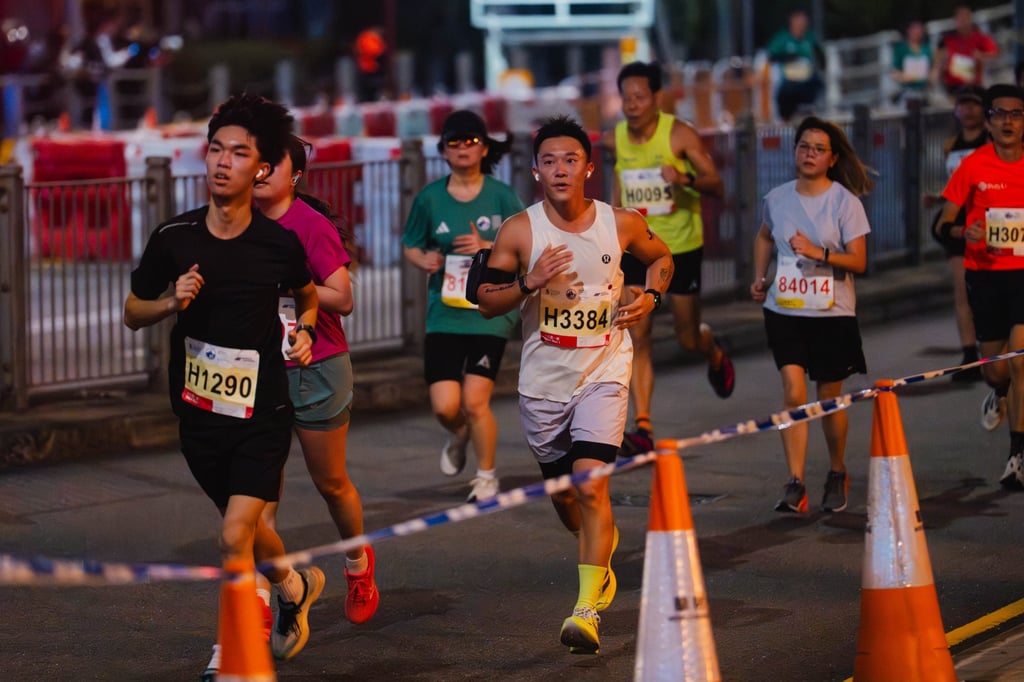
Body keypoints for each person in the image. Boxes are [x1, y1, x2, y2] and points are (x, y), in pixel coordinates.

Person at [123, 94, 324, 676]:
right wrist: (169, 302)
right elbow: (133, 311)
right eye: (215, 149)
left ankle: (228, 656)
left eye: (239, 152)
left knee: (233, 535)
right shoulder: (174, 237)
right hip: (199, 413)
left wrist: (304, 331)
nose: (223, 161)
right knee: (253, 531)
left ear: (261, 168)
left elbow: (306, 293)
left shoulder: (277, 243)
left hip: (262, 412)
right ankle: (292, 585)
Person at [476, 115, 673, 655]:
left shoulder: (622, 223)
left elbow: (661, 259)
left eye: (570, 160)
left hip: (604, 372)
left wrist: (650, 298)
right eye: (548, 161)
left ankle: (585, 611)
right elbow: (486, 297)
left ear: (589, 166)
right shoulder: (520, 229)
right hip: (542, 382)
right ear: (536, 172)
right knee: (567, 499)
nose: (560, 170)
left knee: (591, 486)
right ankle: (598, 558)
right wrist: (528, 283)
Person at [252, 135, 379, 628]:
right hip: (257, 372)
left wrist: (289, 287)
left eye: (272, 165)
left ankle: (357, 564)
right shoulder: (235, 223)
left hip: (316, 365)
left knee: (331, 483)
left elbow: (342, 298)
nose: (260, 172)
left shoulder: (309, 225)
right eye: (254, 163)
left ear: (295, 175)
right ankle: (269, 597)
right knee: (258, 495)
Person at [610, 61, 735, 457]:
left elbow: (717, 184)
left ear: (656, 97)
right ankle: (642, 425)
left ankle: (711, 347)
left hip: (679, 249)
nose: (632, 105)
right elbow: (619, 191)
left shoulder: (679, 134)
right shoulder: (618, 137)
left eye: (639, 97)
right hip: (636, 248)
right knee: (638, 333)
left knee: (685, 337)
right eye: (626, 97)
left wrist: (683, 180)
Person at [750, 116, 873, 514]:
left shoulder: (844, 203)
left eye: (819, 149)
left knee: (828, 397)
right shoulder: (778, 197)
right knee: (793, 389)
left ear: (832, 158)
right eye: (804, 146)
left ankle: (837, 471)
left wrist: (817, 252)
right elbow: (765, 235)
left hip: (832, 311)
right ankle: (795, 480)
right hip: (784, 308)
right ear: (795, 151)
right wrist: (759, 277)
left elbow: (859, 261)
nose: (810, 154)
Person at [401, 110, 524, 502]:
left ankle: (486, 475)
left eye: (471, 141)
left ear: (484, 148)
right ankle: (457, 435)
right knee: (445, 406)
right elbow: (411, 243)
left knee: (475, 400)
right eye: (454, 142)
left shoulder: (502, 196)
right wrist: (424, 260)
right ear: (443, 151)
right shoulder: (430, 197)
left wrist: (488, 247)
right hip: (445, 313)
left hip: (489, 314)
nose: (463, 149)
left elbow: (527, 245)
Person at [938, 83, 1024, 489]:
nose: (1008, 121)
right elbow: (940, 224)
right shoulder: (972, 165)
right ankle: (998, 391)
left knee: (1022, 360)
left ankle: (1017, 455)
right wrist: (964, 230)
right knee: (996, 370)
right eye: (999, 113)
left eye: (1016, 113)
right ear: (988, 121)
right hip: (985, 275)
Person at [923, 85, 988, 385]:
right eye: (963, 104)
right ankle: (969, 354)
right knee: (962, 288)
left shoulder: (994, 141)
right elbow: (956, 186)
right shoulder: (951, 144)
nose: (968, 110)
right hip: (958, 223)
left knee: (992, 288)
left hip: (991, 221)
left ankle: (995, 347)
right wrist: (937, 199)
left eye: (974, 104)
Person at [767, 9, 826, 121]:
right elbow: (772, 56)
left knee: (818, 84)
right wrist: (790, 58)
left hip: (807, 79)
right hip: (788, 81)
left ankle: (812, 115)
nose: (802, 23)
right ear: (792, 21)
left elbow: (820, 54)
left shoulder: (809, 37)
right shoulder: (782, 38)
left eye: (804, 20)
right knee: (787, 93)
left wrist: (821, 67)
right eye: (799, 20)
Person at [932, 4, 998, 97]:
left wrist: (981, 56)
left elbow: (994, 53)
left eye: (966, 17)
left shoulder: (981, 37)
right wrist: (940, 66)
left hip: (974, 85)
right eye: (960, 17)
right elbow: (938, 59)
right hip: (952, 86)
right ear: (955, 20)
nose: (963, 20)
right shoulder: (947, 39)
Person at [890, 20, 934, 104]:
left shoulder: (927, 49)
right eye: (915, 29)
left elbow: (932, 71)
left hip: (925, 91)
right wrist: (905, 77)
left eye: (920, 29)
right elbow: (894, 72)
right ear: (909, 31)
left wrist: (930, 78)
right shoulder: (901, 49)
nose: (917, 32)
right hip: (907, 90)